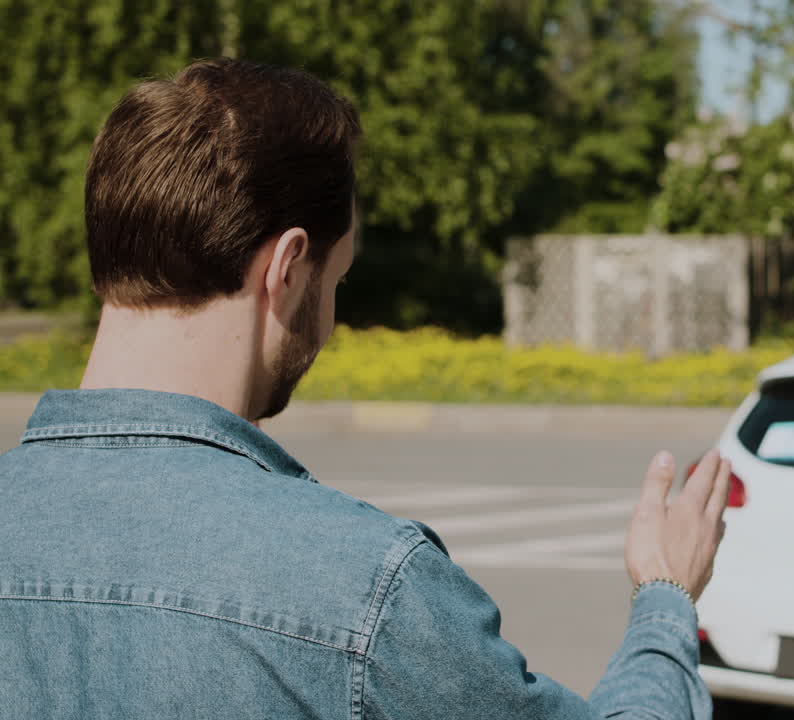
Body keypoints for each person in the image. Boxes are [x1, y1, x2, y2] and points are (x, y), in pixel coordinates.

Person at [0, 58, 731, 719]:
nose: (333, 316)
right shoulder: (367, 590)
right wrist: (665, 595)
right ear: (286, 269)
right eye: (337, 279)